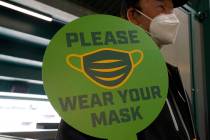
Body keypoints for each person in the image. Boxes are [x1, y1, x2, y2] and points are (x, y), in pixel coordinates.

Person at [56, 0, 198, 139]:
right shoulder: (101, 80)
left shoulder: (171, 75)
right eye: (161, 7)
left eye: (171, 9)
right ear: (133, 16)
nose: (172, 18)